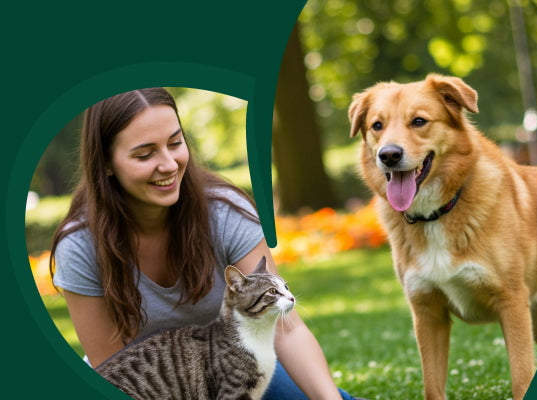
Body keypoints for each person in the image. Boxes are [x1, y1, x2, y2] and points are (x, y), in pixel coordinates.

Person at [49, 87, 361, 400]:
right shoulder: (79, 246)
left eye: (175, 143)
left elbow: (287, 329)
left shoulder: (224, 211)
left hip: (230, 361)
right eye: (145, 154)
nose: (169, 164)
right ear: (105, 163)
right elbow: (113, 371)